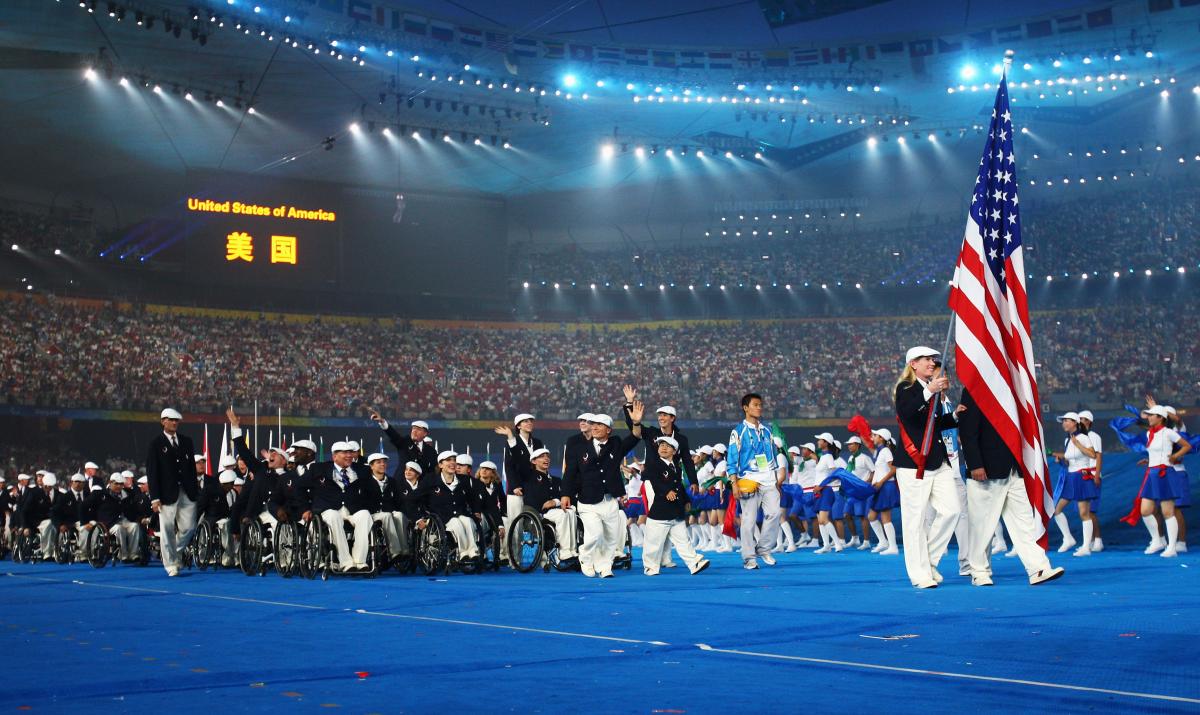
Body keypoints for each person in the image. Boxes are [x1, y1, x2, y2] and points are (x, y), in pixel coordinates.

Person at [957, 388, 1065, 585]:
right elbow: (967, 431)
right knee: (981, 525)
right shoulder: (975, 387)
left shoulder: (1015, 384)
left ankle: (1038, 568)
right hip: (986, 469)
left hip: (1015, 467)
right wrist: (975, 464)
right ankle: (979, 571)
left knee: (1025, 522)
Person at [892, 346, 963, 589]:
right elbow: (908, 413)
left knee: (952, 510)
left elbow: (934, 423)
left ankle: (930, 560)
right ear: (913, 363)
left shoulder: (933, 392)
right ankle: (919, 574)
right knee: (915, 522)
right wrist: (930, 391)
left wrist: (953, 417)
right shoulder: (905, 388)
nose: (932, 363)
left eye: (933, 359)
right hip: (913, 464)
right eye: (926, 359)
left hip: (938, 460)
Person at [562, 406, 644, 578]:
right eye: (593, 424)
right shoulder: (579, 449)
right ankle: (585, 555)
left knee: (610, 537)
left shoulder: (616, 445)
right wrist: (565, 494)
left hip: (610, 500)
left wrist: (636, 422)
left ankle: (605, 567)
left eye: (599, 425)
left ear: (609, 429)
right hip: (587, 500)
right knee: (595, 534)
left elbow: (636, 436)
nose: (595, 427)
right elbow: (570, 473)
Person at [727, 393, 785, 570]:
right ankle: (749, 558)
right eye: (755, 405)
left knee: (775, 513)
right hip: (748, 480)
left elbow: (772, 457)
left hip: (768, 480)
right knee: (749, 521)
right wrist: (734, 483)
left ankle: (764, 548)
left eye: (760, 405)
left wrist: (776, 480)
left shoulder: (767, 431)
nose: (759, 408)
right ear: (746, 408)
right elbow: (731, 458)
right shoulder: (738, 431)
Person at [640, 436, 710, 576]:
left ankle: (693, 563)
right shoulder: (654, 464)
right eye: (661, 445)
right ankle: (650, 567)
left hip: (675, 511)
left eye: (667, 446)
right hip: (660, 512)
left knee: (683, 540)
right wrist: (666, 491)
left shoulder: (676, 467)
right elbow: (654, 481)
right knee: (653, 543)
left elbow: (679, 486)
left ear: (674, 451)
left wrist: (686, 501)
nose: (663, 448)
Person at [303, 441, 373, 573]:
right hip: (329, 510)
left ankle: (359, 561)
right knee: (333, 516)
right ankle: (346, 562)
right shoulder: (318, 469)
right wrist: (305, 509)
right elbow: (299, 488)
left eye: (351, 453)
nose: (349, 456)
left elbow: (370, 492)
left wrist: (366, 506)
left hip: (352, 510)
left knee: (365, 515)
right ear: (334, 456)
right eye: (344, 453)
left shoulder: (362, 469)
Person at [145, 407, 199, 577]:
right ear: (163, 421)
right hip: (166, 493)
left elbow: (191, 468)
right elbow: (152, 472)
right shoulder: (155, 443)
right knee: (167, 528)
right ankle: (171, 564)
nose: (175, 423)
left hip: (187, 491)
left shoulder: (187, 441)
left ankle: (173, 553)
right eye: (171, 420)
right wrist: (154, 498)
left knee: (189, 527)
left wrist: (195, 489)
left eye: (177, 420)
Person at [1135, 405, 1191, 557]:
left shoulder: (1169, 432)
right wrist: (1148, 461)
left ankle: (1172, 547)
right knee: (1145, 511)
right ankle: (1158, 540)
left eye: (1152, 415)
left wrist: (1175, 456)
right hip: (1152, 472)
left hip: (1164, 472)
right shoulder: (1149, 434)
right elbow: (1156, 452)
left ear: (1161, 418)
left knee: (1168, 512)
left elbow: (1187, 446)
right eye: (1149, 415)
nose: (1150, 417)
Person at [1049, 412, 1100, 557]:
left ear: (1075, 423)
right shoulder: (1067, 441)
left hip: (1082, 477)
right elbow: (1069, 461)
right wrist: (1062, 461)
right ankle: (1068, 538)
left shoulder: (1083, 438)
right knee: (1056, 509)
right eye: (1063, 420)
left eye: (1067, 420)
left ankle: (1085, 547)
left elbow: (1092, 455)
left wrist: (1077, 444)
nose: (1064, 423)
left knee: (1084, 513)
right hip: (1071, 477)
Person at [420, 450, 480, 563]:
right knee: (456, 523)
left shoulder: (463, 480)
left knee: (468, 521)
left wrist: (476, 511)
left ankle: (473, 551)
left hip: (460, 514)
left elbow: (473, 498)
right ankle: (463, 553)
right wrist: (420, 516)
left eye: (454, 460)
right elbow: (416, 498)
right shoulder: (431, 479)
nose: (453, 463)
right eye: (448, 460)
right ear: (441, 465)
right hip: (441, 518)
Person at [522, 447, 578, 567]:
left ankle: (572, 551)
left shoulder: (557, 480)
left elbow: (568, 496)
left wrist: (556, 501)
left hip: (556, 510)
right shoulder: (529, 477)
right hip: (540, 513)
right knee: (563, 514)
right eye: (542, 456)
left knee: (571, 513)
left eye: (547, 456)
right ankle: (564, 551)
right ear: (533, 461)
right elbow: (535, 499)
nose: (546, 458)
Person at [494, 413, 545, 535]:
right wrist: (515, 485)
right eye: (525, 421)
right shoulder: (512, 441)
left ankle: (542, 552)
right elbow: (509, 466)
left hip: (533, 488)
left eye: (530, 421)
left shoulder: (538, 443)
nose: (529, 423)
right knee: (516, 525)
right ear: (518, 426)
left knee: (537, 521)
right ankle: (515, 554)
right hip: (517, 489)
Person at [361, 453, 407, 565]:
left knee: (399, 515)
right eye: (378, 462)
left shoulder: (392, 481)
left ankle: (404, 551)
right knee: (386, 515)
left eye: (384, 462)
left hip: (389, 513)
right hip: (372, 514)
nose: (382, 464)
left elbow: (399, 501)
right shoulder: (365, 482)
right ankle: (394, 551)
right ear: (371, 466)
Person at [370, 408, 438, 478]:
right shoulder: (405, 442)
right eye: (413, 428)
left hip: (421, 485)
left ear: (425, 434)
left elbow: (433, 470)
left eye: (418, 429)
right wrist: (382, 422)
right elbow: (394, 435)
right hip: (401, 482)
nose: (414, 431)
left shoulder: (431, 451)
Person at [866, 429, 900, 555]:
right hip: (879, 487)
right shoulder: (880, 451)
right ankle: (883, 542)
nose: (872, 437)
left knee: (886, 517)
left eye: (875, 435)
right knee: (872, 516)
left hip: (886, 486)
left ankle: (893, 547)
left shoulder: (885, 451)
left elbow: (894, 469)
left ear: (881, 438)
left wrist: (880, 482)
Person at [1076, 410, 1105, 552]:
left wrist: (1097, 475)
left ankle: (1098, 540)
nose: (1081, 421)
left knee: (1091, 511)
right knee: (1085, 511)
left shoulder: (1094, 436)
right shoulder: (1078, 437)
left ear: (1089, 422)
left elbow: (1098, 457)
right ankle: (1090, 541)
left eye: (1084, 419)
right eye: (1079, 418)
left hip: (1092, 474)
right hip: (1082, 475)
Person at [845, 436, 875, 550]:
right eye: (848, 444)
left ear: (858, 445)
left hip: (862, 491)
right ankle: (855, 538)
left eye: (851, 444)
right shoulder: (850, 458)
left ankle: (866, 542)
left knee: (862, 516)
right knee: (846, 514)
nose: (849, 446)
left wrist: (865, 483)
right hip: (852, 491)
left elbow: (873, 472)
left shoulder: (865, 458)